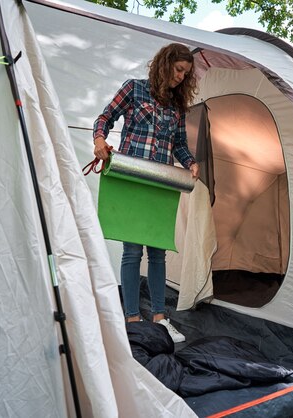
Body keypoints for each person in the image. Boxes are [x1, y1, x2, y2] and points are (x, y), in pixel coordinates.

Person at [92, 43, 199, 343]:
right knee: (132, 251)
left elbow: (178, 144)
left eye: (186, 73)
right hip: (132, 177)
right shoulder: (134, 89)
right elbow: (105, 118)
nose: (181, 77)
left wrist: (190, 162)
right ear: (165, 65)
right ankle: (132, 319)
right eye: (178, 70)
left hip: (160, 183)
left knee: (157, 251)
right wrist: (100, 140)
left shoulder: (177, 107)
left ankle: (160, 318)